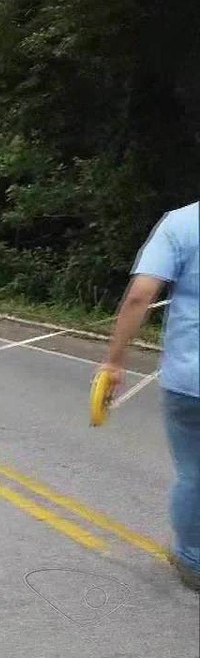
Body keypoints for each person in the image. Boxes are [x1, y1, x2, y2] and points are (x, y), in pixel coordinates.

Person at [99, 200, 199, 591]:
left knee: (194, 474)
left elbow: (141, 295)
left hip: (189, 381)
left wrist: (113, 362)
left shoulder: (182, 222)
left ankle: (193, 560)